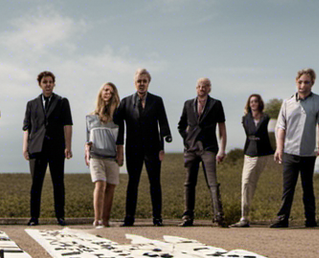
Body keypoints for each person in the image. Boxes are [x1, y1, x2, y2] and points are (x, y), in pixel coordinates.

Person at [113, 68, 172, 226]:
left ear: (148, 83)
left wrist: (163, 144)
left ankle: (157, 218)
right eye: (139, 81)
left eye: (144, 81)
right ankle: (129, 217)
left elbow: (163, 122)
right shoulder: (125, 102)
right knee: (133, 182)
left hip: (153, 148)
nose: (141, 84)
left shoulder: (157, 100)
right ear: (134, 83)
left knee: (155, 182)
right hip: (133, 148)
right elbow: (116, 121)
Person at [270, 68, 319, 228]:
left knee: (308, 188)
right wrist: (279, 148)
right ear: (296, 82)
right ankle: (282, 219)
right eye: (300, 82)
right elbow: (280, 127)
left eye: (306, 82)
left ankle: (310, 220)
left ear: (312, 83)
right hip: (289, 151)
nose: (303, 85)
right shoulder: (287, 103)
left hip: (308, 152)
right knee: (288, 188)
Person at [23, 71, 73, 226]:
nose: (48, 84)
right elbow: (27, 127)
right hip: (36, 148)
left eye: (50, 82)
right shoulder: (31, 104)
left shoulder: (62, 102)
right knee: (36, 184)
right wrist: (25, 147)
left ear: (54, 83)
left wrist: (68, 146)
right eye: (45, 82)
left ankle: (60, 216)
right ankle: (34, 217)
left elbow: (68, 125)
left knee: (58, 183)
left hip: (57, 148)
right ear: (40, 84)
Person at [177, 78, 227, 227]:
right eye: (199, 86)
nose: (202, 88)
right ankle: (187, 217)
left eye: (205, 86)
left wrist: (222, 149)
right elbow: (181, 125)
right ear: (196, 88)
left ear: (209, 88)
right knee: (189, 183)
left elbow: (222, 128)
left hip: (209, 148)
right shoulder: (188, 104)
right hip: (191, 149)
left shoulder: (216, 104)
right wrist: (187, 139)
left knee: (212, 183)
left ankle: (218, 215)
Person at [84, 82, 123, 228]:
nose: (108, 93)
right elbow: (88, 138)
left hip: (111, 156)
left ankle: (106, 220)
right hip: (96, 156)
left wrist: (121, 155)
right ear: (101, 93)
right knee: (100, 184)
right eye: (106, 90)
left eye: (111, 92)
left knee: (111, 187)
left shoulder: (118, 118)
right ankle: (97, 219)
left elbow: (120, 139)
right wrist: (86, 152)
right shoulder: (91, 117)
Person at [235, 93, 274, 227]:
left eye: (256, 101)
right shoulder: (245, 119)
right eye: (251, 101)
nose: (253, 103)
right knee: (246, 183)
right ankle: (244, 217)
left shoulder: (267, 118)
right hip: (250, 153)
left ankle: (269, 215)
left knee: (262, 184)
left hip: (265, 153)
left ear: (260, 103)